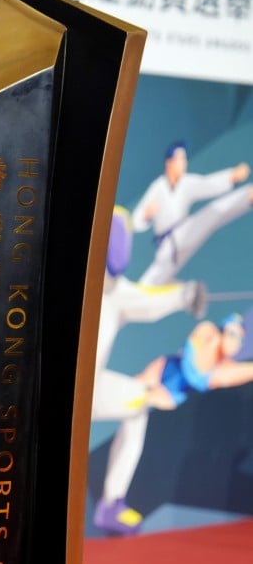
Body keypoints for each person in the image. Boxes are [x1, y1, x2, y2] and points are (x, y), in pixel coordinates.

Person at [89, 206, 206, 535]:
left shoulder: (116, 291)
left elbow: (149, 300)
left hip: (88, 389)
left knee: (138, 406)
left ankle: (111, 504)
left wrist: (185, 295)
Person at [92, 312, 253, 535]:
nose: (237, 342)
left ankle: (111, 505)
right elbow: (192, 369)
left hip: (143, 401)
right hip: (142, 390)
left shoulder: (222, 367)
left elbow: (235, 373)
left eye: (242, 339)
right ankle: (110, 505)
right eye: (234, 334)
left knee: (130, 444)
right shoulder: (208, 333)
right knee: (94, 402)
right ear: (224, 330)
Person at [132, 140, 250, 285]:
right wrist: (146, 215)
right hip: (169, 245)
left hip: (184, 234)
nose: (184, 163)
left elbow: (207, 184)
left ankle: (247, 196)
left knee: (212, 214)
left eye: (184, 159)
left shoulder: (186, 183)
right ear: (169, 163)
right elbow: (136, 219)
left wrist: (231, 177)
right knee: (152, 282)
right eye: (180, 159)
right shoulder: (158, 187)